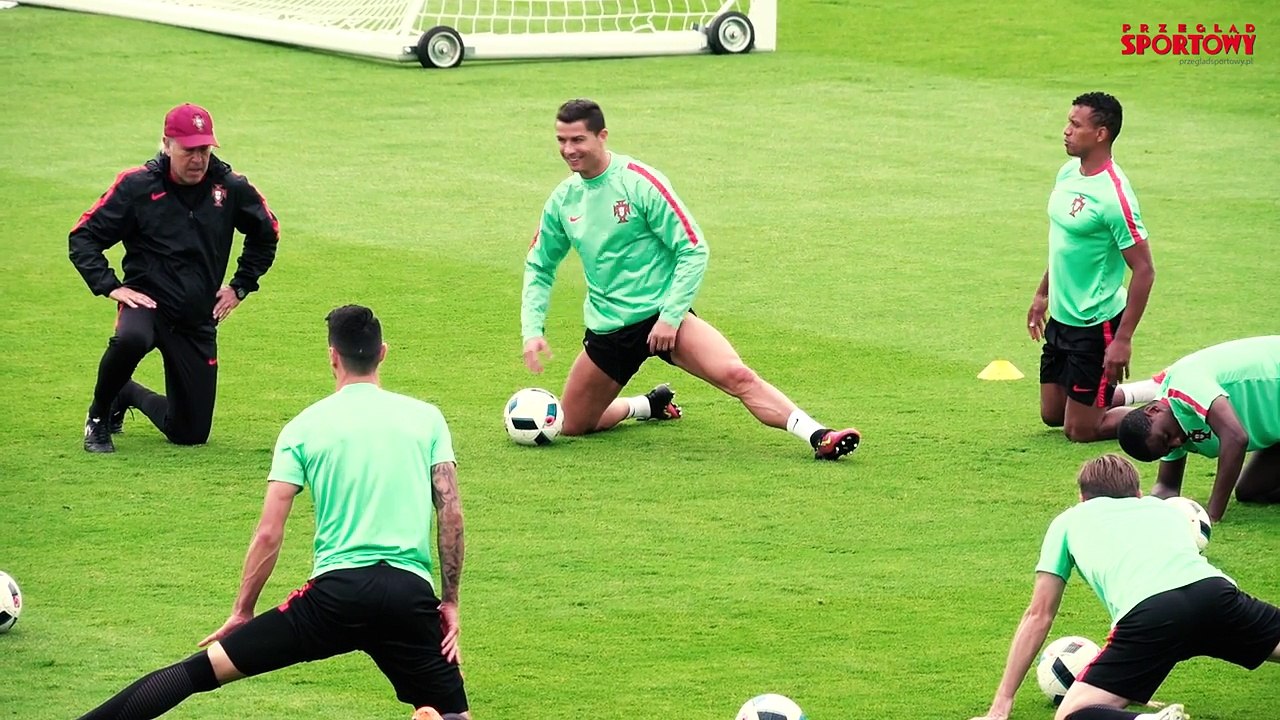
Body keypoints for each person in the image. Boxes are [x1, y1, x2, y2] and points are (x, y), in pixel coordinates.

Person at [76, 305, 470, 719]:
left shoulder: (303, 428)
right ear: (383, 353)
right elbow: (451, 514)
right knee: (453, 716)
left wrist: (243, 610)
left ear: (332, 355)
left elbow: (269, 533)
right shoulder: (427, 419)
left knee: (199, 672)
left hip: (332, 601)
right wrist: (450, 602)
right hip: (408, 600)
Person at [520, 98, 860, 460]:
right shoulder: (563, 201)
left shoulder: (639, 183)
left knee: (736, 375)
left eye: (577, 140)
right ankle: (648, 406)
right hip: (609, 330)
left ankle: (819, 436)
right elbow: (540, 266)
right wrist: (532, 331)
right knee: (573, 424)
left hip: (665, 318)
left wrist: (670, 316)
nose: (569, 150)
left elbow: (693, 248)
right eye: (561, 141)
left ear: (602, 136)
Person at [970, 454, 1280, 720]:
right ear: (1139, 493)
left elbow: (1039, 615)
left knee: (1072, 714)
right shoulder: (1164, 510)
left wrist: (1001, 704)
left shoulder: (1067, 521)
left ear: (1082, 497)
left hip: (1150, 615)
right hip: (1215, 593)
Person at [69, 102, 280, 453]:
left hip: (197, 316)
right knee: (130, 339)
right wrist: (110, 286)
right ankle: (98, 415)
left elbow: (267, 232)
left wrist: (241, 285)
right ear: (167, 145)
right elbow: (83, 237)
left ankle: (128, 392)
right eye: (189, 150)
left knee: (190, 433)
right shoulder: (137, 186)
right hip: (147, 303)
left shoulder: (229, 187)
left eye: (204, 149)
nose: (198, 159)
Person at [1030, 92, 1155, 443]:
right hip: (1062, 318)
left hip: (1095, 324)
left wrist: (1122, 339)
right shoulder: (1068, 172)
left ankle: (1170, 408)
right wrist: (1042, 294)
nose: (1066, 131)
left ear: (1100, 134)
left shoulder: (1115, 197)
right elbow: (1065, 244)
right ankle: (1130, 393)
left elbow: (1144, 270)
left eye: (1075, 124)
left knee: (1079, 431)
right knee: (1052, 415)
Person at [1117, 335, 1280, 522]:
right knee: (1251, 489)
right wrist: (1148, 511)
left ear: (1153, 410)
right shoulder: (1165, 426)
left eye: (1167, 437)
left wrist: (1211, 515)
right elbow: (1167, 486)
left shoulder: (1184, 384)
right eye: (1169, 447)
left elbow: (1235, 438)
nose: (1177, 442)